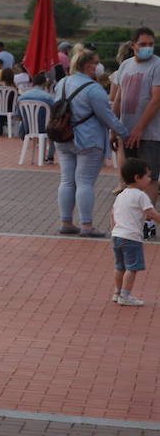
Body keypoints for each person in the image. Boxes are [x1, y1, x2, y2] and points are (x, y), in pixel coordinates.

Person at [56, 50, 129, 237]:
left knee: (67, 181)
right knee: (85, 182)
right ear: (88, 65)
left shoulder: (62, 83)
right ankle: (87, 225)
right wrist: (124, 133)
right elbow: (107, 116)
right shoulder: (93, 89)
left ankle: (66, 222)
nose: (98, 66)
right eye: (96, 63)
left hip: (64, 137)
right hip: (89, 140)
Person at [112, 27, 160, 190]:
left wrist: (139, 128)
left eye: (151, 44)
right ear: (133, 45)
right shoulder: (125, 66)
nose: (148, 48)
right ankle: (134, 206)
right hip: (127, 132)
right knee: (132, 180)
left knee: (150, 178)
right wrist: (113, 129)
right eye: (143, 44)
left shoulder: (157, 65)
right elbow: (119, 99)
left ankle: (147, 208)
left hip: (150, 134)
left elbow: (156, 99)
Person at [111, 158, 155, 306]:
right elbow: (151, 213)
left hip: (117, 235)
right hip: (131, 237)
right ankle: (125, 295)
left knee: (120, 266)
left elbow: (113, 214)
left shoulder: (121, 194)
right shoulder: (141, 195)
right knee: (132, 268)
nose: (150, 179)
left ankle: (117, 292)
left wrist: (113, 229)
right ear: (137, 177)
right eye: (147, 176)